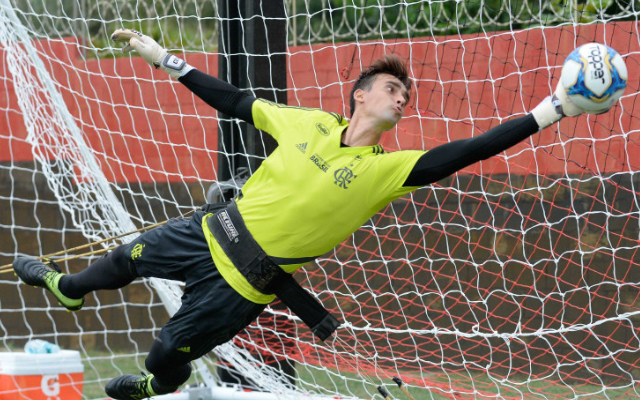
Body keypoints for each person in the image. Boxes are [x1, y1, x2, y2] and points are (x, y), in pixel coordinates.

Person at [13, 28, 596, 400]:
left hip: (242, 285)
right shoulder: (308, 122)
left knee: (166, 353)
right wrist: (166, 59)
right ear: (360, 95)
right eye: (392, 88)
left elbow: (465, 152)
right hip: (207, 232)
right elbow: (237, 102)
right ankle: (67, 287)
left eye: (405, 97)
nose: (401, 99)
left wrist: (550, 112)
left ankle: (157, 383)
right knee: (122, 259)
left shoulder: (384, 170)